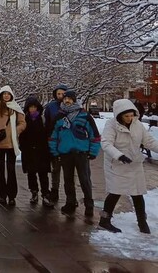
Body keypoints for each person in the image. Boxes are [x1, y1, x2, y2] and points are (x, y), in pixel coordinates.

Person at [99, 99, 158, 234]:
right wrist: (119, 156)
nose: (130, 119)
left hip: (134, 164)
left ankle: (142, 222)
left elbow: (149, 141)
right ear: (119, 115)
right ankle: (104, 221)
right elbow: (106, 144)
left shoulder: (138, 125)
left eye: (131, 115)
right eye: (126, 116)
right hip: (117, 164)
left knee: (137, 193)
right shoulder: (111, 125)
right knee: (115, 192)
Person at [49, 89, 100, 217]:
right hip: (65, 153)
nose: (67, 101)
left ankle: (89, 205)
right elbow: (53, 136)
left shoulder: (84, 115)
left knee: (85, 180)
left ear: (74, 100)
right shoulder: (59, 117)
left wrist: (93, 151)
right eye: (65, 98)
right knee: (68, 180)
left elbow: (94, 135)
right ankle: (70, 202)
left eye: (70, 98)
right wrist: (55, 152)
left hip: (81, 153)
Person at [0, 85, 26, 206]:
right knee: (0, 169)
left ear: (11, 96)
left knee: (11, 169)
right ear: (1, 95)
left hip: (11, 143)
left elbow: (22, 123)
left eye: (8, 94)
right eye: (4, 94)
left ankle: (12, 195)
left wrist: (15, 131)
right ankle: (2, 195)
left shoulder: (15, 108)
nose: (6, 96)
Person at [20, 96, 52, 206]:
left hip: (42, 151)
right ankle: (34, 192)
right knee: (31, 173)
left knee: (43, 174)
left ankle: (45, 194)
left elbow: (47, 133)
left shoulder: (42, 120)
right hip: (29, 151)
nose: (32, 109)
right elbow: (22, 136)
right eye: (30, 107)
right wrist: (23, 147)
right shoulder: (24, 120)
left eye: (34, 107)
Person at [43, 83, 68, 204]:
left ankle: (70, 194)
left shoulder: (71, 106)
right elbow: (47, 124)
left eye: (63, 93)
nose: (61, 96)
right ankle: (55, 191)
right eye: (58, 93)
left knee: (69, 171)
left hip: (68, 143)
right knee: (55, 169)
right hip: (54, 141)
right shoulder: (50, 107)